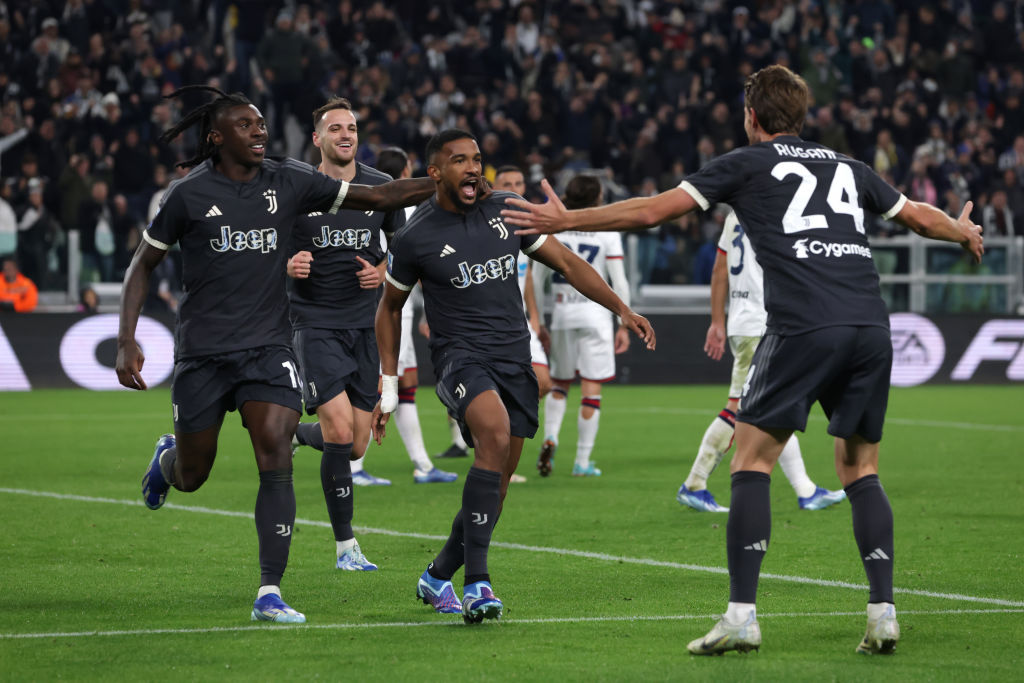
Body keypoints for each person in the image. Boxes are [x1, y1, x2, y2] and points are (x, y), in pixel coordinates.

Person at [502, 65, 983, 655]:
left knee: (751, 460)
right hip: (869, 324)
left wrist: (568, 219)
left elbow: (652, 211)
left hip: (804, 324)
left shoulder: (747, 163)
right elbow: (916, 215)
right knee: (861, 469)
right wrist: (960, 231)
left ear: (751, 116)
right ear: (801, 115)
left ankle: (741, 616)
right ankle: (883, 613)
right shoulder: (849, 167)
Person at [115, 85, 437, 624]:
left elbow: (380, 198)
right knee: (193, 474)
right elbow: (141, 264)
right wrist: (127, 338)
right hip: (204, 352)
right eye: (245, 125)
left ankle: (269, 592)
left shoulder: (289, 179)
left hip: (269, 348)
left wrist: (443, 182)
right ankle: (167, 462)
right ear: (216, 137)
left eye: (261, 123)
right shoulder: (187, 194)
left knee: (276, 460)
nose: (259, 131)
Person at [373, 129, 655, 623]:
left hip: (514, 357)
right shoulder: (415, 235)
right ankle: (478, 584)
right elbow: (389, 308)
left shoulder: (507, 210)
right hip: (461, 359)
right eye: (459, 160)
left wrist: (622, 309)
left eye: (476, 159)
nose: (472, 168)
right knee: (494, 434)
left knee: (497, 485)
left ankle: (437, 574)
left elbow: (566, 262)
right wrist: (390, 383)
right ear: (434, 172)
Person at [676, 209, 846, 512]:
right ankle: (694, 484)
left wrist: (717, 321)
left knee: (774, 405)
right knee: (740, 407)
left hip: (745, 322)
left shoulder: (735, 214)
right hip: (762, 323)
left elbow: (719, 270)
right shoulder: (777, 211)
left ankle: (806, 490)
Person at [531, 174, 631, 477]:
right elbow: (619, 281)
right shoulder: (607, 230)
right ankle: (582, 461)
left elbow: (536, 280)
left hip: (563, 314)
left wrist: (540, 320)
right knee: (591, 389)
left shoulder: (554, 229)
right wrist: (623, 322)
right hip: (596, 316)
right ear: (597, 198)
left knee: (559, 384)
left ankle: (551, 437)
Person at [374, 145, 459, 484]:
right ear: (407, 171)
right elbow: (418, 259)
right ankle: (352, 465)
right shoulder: (408, 209)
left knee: (405, 383)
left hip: (393, 303)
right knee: (382, 382)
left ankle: (422, 464)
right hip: (393, 305)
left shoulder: (371, 202)